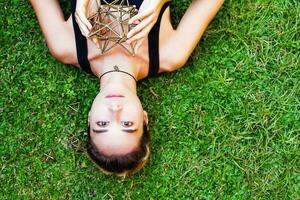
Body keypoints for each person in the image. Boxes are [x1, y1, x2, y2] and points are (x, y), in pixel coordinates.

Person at [29, 0, 224, 176]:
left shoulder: (65, 46)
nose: (115, 111)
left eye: (102, 125)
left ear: (90, 118)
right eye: (127, 124)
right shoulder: (170, 53)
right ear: (144, 119)